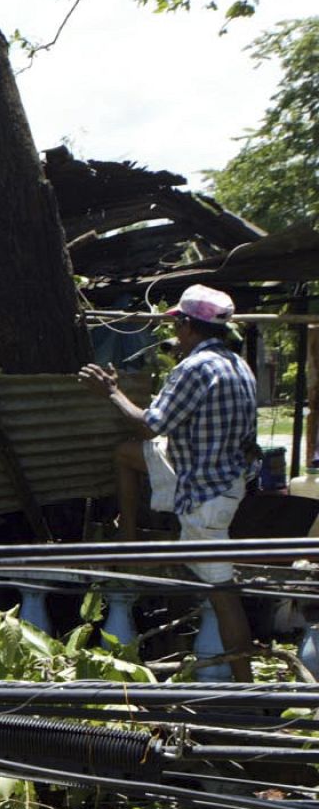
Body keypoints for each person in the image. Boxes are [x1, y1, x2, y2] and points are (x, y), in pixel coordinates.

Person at [78, 284, 259, 681]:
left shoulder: (194, 368)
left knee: (223, 596)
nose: (176, 333)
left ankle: (250, 691)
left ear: (188, 327)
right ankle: (128, 540)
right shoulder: (238, 364)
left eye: (178, 325)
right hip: (221, 476)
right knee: (126, 454)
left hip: (207, 495)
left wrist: (111, 391)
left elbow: (150, 424)